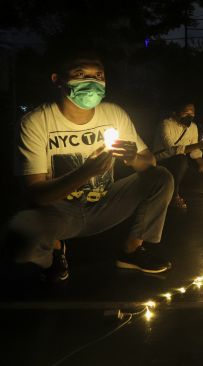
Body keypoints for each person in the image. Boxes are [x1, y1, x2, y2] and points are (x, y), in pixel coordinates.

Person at [1, 51, 174, 284]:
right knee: (19, 238)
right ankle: (54, 251)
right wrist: (86, 172)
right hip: (59, 212)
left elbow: (149, 163)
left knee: (161, 177)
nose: (91, 82)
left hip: (105, 203)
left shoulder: (114, 113)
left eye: (98, 75)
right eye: (80, 74)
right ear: (57, 79)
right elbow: (35, 194)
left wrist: (132, 158)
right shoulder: (36, 122)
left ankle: (131, 252)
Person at [152, 100, 203, 209]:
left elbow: (195, 151)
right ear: (175, 113)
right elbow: (172, 150)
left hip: (180, 167)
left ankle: (170, 189)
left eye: (192, 113)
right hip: (162, 164)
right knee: (180, 158)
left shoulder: (193, 127)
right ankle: (173, 196)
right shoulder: (166, 124)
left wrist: (201, 162)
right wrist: (198, 145)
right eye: (186, 113)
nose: (189, 116)